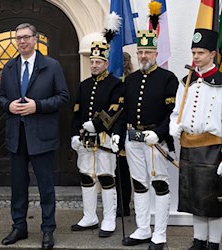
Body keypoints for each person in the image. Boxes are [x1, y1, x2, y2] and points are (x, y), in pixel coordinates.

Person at [0, 23, 69, 250]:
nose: (21, 41)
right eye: (18, 38)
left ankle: (48, 229)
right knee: (18, 186)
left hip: (42, 136)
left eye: (26, 37)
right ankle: (19, 226)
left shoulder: (51, 65)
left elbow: (63, 97)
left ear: (35, 39)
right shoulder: (9, 67)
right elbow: (0, 97)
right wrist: (8, 106)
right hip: (16, 137)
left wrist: (37, 106)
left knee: (46, 187)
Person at [121, 30, 179, 250]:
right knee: (139, 184)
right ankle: (143, 229)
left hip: (155, 140)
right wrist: (119, 134)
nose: (143, 56)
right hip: (133, 139)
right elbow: (125, 110)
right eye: (140, 52)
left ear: (156, 53)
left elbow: (173, 113)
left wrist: (161, 132)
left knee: (160, 184)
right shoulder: (131, 79)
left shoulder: (168, 78)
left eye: (148, 51)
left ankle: (160, 234)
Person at [169, 28, 222, 250]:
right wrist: (174, 125)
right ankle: (199, 241)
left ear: (213, 54)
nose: (196, 57)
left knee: (212, 201)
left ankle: (214, 243)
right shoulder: (186, 81)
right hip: (189, 148)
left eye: (200, 52)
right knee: (194, 200)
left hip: (213, 149)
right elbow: (175, 111)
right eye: (193, 52)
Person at [70, 40, 123, 238]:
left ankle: (109, 219)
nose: (94, 65)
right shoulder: (84, 85)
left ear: (106, 64)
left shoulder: (116, 85)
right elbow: (76, 112)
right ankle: (89, 216)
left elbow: (115, 111)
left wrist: (98, 125)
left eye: (98, 62)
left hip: (104, 138)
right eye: (92, 62)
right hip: (85, 140)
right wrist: (74, 134)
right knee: (86, 176)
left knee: (106, 177)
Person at [115, 51, 134, 217]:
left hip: (125, 129)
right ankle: (118, 203)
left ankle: (124, 204)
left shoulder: (130, 82)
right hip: (113, 129)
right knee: (115, 171)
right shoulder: (114, 81)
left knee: (123, 171)